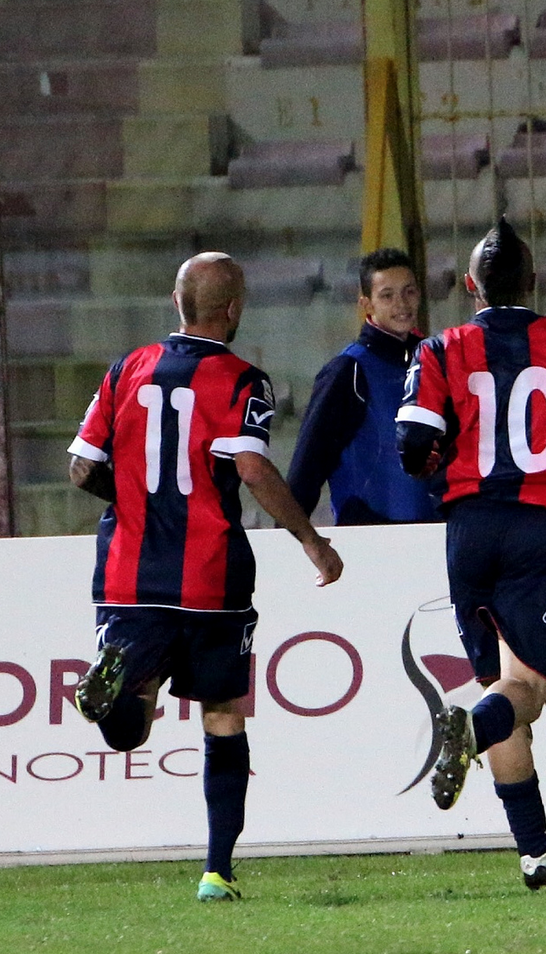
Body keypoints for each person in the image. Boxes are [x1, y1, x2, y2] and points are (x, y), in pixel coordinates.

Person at [66, 252, 344, 901]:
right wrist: (310, 539)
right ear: (234, 310)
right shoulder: (245, 381)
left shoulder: (124, 370)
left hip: (130, 575)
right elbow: (250, 467)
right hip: (210, 577)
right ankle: (217, 871)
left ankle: (119, 683)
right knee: (222, 715)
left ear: (176, 299)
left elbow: (81, 466)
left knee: (132, 716)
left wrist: (133, 495)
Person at [396, 219, 546, 890]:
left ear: (469, 287)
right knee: (523, 689)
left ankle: (533, 850)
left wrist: (440, 458)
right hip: (541, 530)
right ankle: (471, 728)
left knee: (500, 683)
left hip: (469, 529)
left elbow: (414, 447)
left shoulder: (440, 349)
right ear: (532, 284)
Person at [287, 247, 439, 525]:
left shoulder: (435, 362)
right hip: (368, 540)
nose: (401, 304)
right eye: (387, 295)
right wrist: (288, 543)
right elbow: (307, 467)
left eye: (409, 292)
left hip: (434, 538)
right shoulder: (347, 371)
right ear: (366, 304)